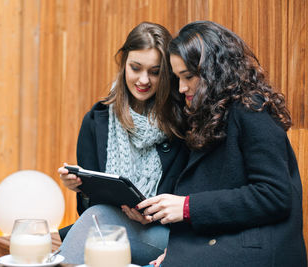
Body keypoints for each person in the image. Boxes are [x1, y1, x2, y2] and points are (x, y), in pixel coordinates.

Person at [137, 20, 307, 267]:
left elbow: (274, 195)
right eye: (178, 78)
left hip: (257, 251)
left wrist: (186, 207)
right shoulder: (210, 114)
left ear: (213, 70)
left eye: (188, 76)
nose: (182, 87)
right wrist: (178, 252)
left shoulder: (252, 108)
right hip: (223, 245)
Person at [57, 21, 188, 265]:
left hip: (165, 237)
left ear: (167, 74)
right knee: (98, 219)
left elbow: (187, 202)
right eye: (135, 68)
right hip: (107, 229)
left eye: (155, 72)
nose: (143, 80)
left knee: (97, 222)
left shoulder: (181, 124)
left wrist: (151, 218)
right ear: (123, 63)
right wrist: (81, 188)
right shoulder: (97, 121)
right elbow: (89, 210)